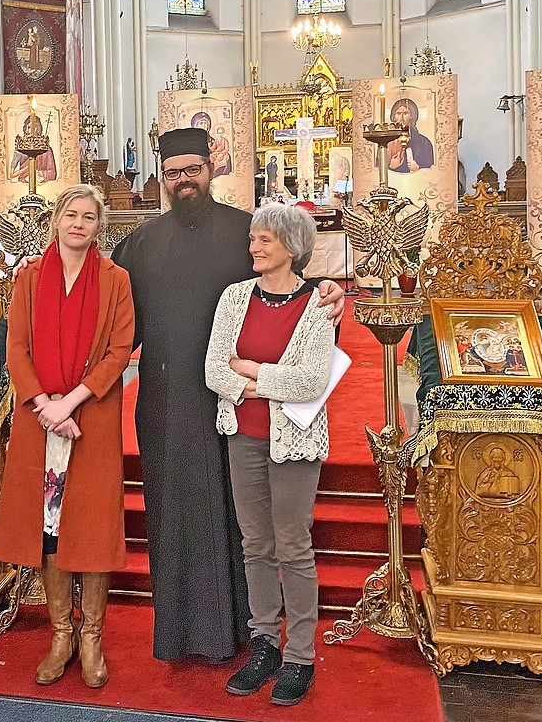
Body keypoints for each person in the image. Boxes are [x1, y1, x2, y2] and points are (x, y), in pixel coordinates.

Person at [110, 127, 345, 663]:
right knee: (178, 516)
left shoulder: (247, 232)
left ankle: (252, 635)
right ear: (162, 178)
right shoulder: (141, 243)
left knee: (246, 525)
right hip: (168, 405)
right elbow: (114, 319)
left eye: (192, 169)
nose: (183, 180)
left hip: (239, 406)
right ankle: (180, 634)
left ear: (211, 168)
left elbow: (296, 288)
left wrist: (330, 290)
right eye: (173, 173)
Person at [0, 185, 135, 689]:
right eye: (70, 214)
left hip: (89, 416)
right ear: (56, 220)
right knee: (48, 528)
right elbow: (16, 347)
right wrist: (43, 406)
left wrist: (69, 403)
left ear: (100, 225)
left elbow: (119, 351)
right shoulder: (28, 278)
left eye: (89, 217)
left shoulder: (116, 280)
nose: (78, 223)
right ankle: (61, 635)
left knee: (91, 526)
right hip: (40, 420)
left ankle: (92, 636)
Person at [205, 203, 335, 707]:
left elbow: (312, 380)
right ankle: (265, 644)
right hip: (243, 435)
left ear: (292, 246)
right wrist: (265, 382)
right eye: (253, 239)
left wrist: (254, 375)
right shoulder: (234, 297)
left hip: (295, 441)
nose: (254, 247)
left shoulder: (318, 304)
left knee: (293, 546)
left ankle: (300, 655)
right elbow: (215, 370)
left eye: (264, 240)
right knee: (255, 543)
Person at [385, 98, 435, 174]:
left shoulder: (424, 142)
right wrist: (391, 166)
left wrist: (418, 167)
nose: (401, 118)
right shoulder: (386, 142)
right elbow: (378, 167)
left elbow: (430, 168)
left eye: (405, 113)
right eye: (398, 113)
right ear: (393, 117)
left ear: (412, 116)